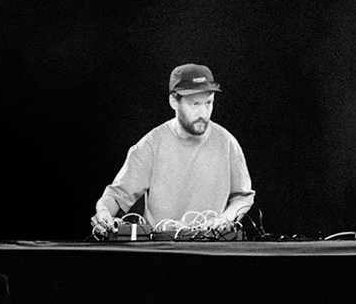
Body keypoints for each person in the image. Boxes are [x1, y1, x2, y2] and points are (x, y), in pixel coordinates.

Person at [91, 64, 256, 233]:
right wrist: (103, 212)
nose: (203, 113)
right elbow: (116, 197)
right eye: (195, 104)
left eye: (208, 103)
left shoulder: (227, 143)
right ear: (174, 101)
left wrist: (225, 218)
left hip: (213, 249)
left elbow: (243, 197)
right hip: (163, 250)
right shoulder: (150, 146)